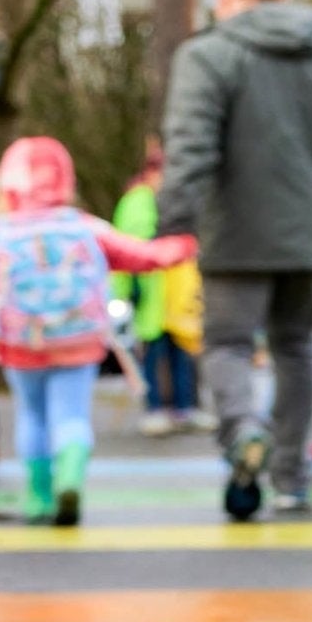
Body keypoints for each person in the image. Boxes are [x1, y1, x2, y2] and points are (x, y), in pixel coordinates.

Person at [157, 0, 312, 519]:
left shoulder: (208, 56)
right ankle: (292, 477)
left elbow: (191, 147)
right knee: (298, 346)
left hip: (235, 232)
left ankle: (243, 433)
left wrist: (172, 222)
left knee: (227, 344)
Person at [0, 137, 196, 526]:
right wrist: (185, 243)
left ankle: (38, 496)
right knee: (71, 415)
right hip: (80, 337)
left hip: (21, 343)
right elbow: (145, 255)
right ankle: (70, 477)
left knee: (32, 416)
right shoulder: (84, 226)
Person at [112, 139, 205, 435]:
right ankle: (154, 408)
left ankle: (185, 407)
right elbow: (125, 245)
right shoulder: (136, 201)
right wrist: (123, 291)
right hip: (149, 292)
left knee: (183, 351)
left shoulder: (182, 197)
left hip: (179, 292)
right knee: (152, 353)